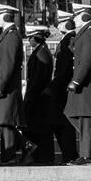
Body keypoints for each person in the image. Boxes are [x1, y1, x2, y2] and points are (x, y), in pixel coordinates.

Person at [64, 3, 91, 165]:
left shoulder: (90, 33)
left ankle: (86, 155)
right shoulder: (85, 32)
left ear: (83, 15)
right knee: (71, 113)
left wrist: (76, 81)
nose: (73, 18)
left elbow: (87, 60)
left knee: (85, 118)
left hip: (87, 84)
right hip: (83, 82)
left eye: (76, 15)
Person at [0, 2, 32, 164]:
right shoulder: (7, 34)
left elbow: (8, 64)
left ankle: (9, 156)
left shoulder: (11, 36)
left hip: (6, 88)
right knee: (3, 122)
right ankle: (25, 146)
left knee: (6, 123)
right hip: (5, 86)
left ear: (5, 16)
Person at [22, 24, 55, 163]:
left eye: (30, 37)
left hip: (38, 97)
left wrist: (30, 95)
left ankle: (44, 156)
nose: (29, 40)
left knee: (40, 128)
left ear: (36, 37)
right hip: (37, 96)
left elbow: (38, 78)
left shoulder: (41, 53)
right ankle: (38, 155)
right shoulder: (40, 51)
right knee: (35, 127)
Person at [50, 10, 79, 163]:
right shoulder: (66, 39)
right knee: (59, 123)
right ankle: (68, 155)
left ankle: (70, 155)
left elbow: (66, 67)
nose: (58, 25)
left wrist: (55, 85)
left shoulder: (71, 40)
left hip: (63, 89)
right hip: (60, 87)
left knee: (65, 124)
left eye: (61, 22)